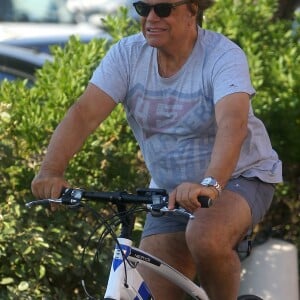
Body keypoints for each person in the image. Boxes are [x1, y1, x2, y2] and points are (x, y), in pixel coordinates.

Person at [31, 0, 282, 299]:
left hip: (238, 178)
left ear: (192, 9)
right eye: (142, 8)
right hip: (170, 191)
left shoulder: (222, 55)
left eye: (163, 9)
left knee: (205, 237)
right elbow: (84, 113)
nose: (151, 18)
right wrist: (51, 170)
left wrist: (211, 184)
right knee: (148, 293)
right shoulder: (128, 54)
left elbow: (233, 123)